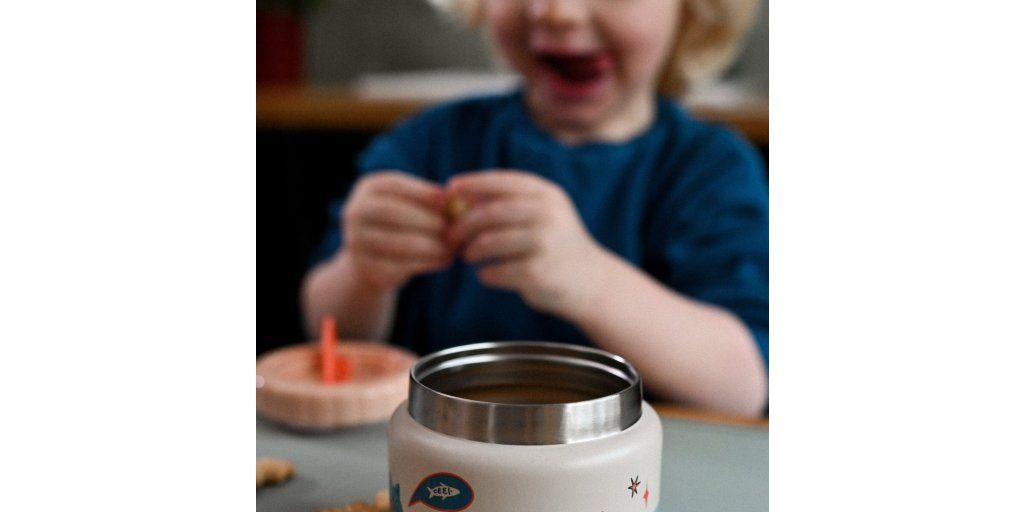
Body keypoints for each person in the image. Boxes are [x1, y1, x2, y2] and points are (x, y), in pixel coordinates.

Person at [301, 0, 767, 415]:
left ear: (693, 11)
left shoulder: (710, 168)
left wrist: (591, 280)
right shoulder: (428, 143)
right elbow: (325, 330)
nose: (556, 11)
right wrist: (364, 270)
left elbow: (743, 387)